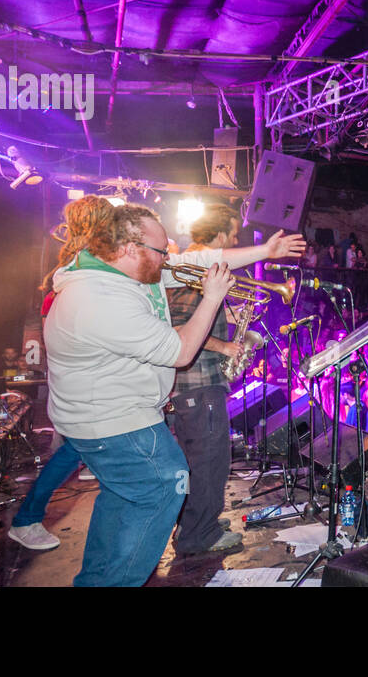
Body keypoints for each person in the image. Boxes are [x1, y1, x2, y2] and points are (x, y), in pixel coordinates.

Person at [43, 204, 233, 586]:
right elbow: (180, 352)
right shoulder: (103, 297)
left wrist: (269, 252)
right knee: (166, 483)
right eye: (161, 251)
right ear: (130, 249)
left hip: (100, 416)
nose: (166, 259)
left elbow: (202, 259)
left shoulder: (106, 279)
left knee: (120, 496)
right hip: (116, 421)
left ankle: (94, 581)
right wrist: (212, 297)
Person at [8, 195, 115, 551]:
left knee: (80, 447)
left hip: (83, 372)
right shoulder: (79, 271)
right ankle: (25, 519)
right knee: (73, 448)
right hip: (81, 375)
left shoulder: (74, 267)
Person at [165, 204, 254, 555]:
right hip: (198, 384)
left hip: (194, 384)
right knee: (208, 461)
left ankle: (197, 525)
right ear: (218, 234)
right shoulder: (194, 269)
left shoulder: (191, 268)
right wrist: (227, 347)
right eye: (232, 234)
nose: (234, 240)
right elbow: (178, 328)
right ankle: (199, 536)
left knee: (196, 461)